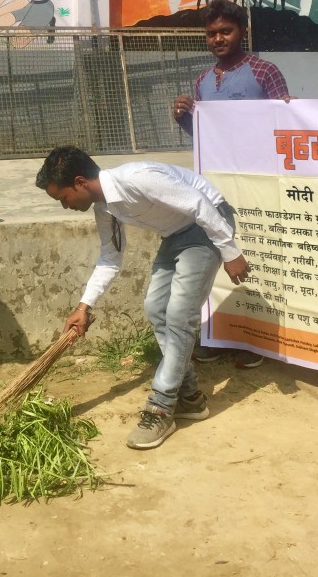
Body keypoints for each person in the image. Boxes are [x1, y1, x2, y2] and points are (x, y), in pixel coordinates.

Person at [36, 146, 251, 450]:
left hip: (207, 225)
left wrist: (230, 252)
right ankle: (190, 396)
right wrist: (84, 306)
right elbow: (110, 258)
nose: (64, 205)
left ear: (80, 182)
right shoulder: (105, 208)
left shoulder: (137, 178)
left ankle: (160, 407)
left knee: (180, 315)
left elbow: (199, 204)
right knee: (156, 308)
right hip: (177, 235)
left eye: (63, 198)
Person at [172, 0, 292, 368]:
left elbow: (286, 125)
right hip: (218, 187)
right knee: (219, 255)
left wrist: (292, 112)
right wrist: (184, 118)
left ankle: (256, 340)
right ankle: (220, 335)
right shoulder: (203, 81)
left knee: (259, 257)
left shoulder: (264, 72)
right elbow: (205, 137)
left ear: (242, 32)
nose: (218, 39)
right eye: (212, 33)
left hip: (260, 183)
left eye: (226, 31)